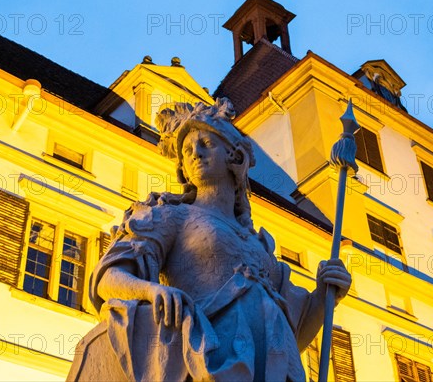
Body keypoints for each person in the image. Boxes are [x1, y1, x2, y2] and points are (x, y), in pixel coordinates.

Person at [67, 98, 351, 382]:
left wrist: (326, 295)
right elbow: (109, 277)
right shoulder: (171, 217)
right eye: (188, 150)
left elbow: (296, 333)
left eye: (206, 144)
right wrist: (151, 291)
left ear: (235, 158)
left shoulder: (260, 246)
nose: (195, 153)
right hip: (210, 360)